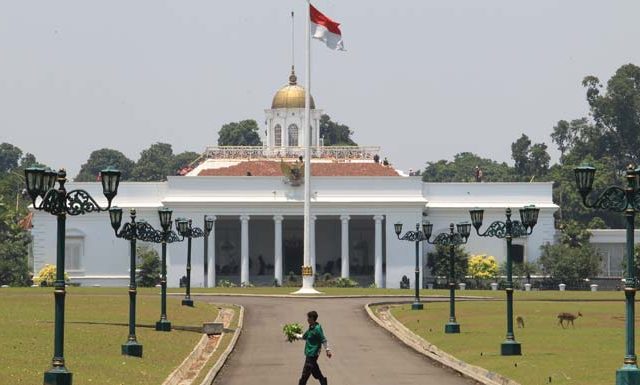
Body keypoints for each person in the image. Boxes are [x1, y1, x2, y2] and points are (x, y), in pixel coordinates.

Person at [295, 310, 331, 385]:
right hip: (309, 353)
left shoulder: (317, 329)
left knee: (305, 373)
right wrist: (294, 335)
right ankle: (323, 382)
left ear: (312, 318)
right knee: (315, 370)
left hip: (313, 353)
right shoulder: (311, 328)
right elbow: (304, 337)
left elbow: (323, 339)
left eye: (308, 318)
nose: (307, 319)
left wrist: (327, 350)